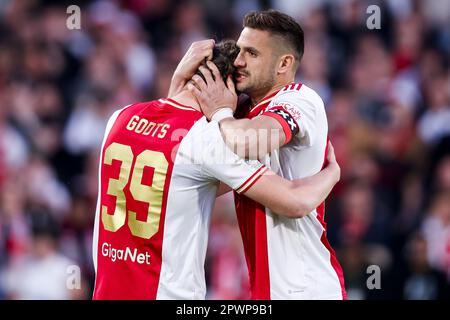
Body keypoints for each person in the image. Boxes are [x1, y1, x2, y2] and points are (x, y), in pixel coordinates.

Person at [92, 40, 341, 299]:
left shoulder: (119, 118)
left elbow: (173, 166)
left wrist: (179, 79)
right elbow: (295, 201)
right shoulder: (208, 142)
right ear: (227, 90)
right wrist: (332, 172)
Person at [170, 10, 346, 299]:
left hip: (306, 288)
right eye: (239, 51)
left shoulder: (301, 99)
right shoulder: (239, 114)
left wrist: (220, 113)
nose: (238, 61)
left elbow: (252, 141)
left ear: (284, 63)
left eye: (251, 53)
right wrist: (180, 79)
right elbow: (181, 169)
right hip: (267, 290)